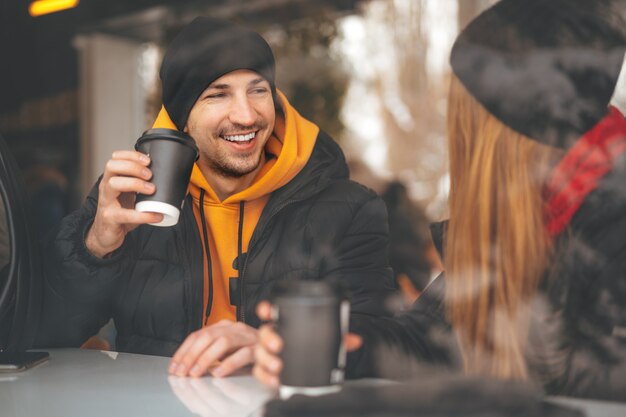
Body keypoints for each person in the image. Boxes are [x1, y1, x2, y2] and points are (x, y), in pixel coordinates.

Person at [254, 0, 626, 400]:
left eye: (467, 111)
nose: (458, 129)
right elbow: (427, 339)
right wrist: (335, 344)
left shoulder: (609, 224)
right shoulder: (530, 209)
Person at [35, 17, 395, 378]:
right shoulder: (130, 202)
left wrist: (280, 345)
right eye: (217, 94)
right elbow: (35, 336)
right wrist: (95, 246)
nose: (246, 115)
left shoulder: (350, 209)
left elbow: (379, 346)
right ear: (182, 120)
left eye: (258, 90)